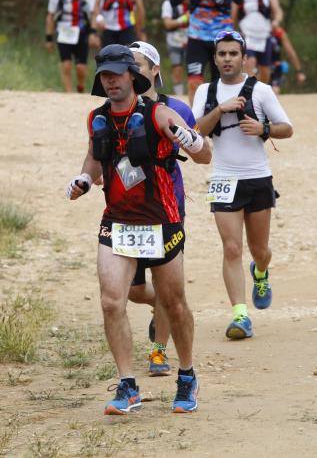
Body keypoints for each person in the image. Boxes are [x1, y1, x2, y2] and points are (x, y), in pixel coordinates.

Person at [66, 44, 210, 415]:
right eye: (105, 75)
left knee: (174, 304)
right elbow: (95, 159)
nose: (111, 80)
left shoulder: (159, 113)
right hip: (117, 221)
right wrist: (84, 178)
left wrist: (190, 140)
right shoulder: (97, 118)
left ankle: (187, 374)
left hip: (161, 219)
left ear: (133, 76)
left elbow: (204, 154)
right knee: (112, 300)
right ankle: (127, 385)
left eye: (117, 73)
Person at [192, 31, 293, 340]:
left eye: (233, 53)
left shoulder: (260, 90)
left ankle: (260, 272)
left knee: (259, 250)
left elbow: (286, 128)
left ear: (244, 57)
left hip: (257, 177)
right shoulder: (205, 92)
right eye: (221, 54)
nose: (227, 59)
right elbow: (195, 131)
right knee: (232, 248)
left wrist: (262, 128)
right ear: (214, 58)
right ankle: (240, 315)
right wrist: (220, 110)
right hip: (224, 178)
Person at [127, 41, 196, 377]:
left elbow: (197, 146)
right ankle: (163, 303)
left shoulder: (178, 109)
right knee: (133, 289)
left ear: (155, 69)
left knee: (167, 284)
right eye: (127, 64)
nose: (131, 70)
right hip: (128, 207)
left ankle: (159, 351)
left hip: (168, 205)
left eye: (138, 64)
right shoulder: (118, 106)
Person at [169, 0, 243, 102]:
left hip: (222, 38)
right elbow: (173, 1)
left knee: (222, 83)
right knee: (194, 82)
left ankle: (220, 121)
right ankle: (195, 123)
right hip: (197, 38)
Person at [46, 0, 96, 93]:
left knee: (81, 67)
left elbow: (93, 14)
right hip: (64, 32)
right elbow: (50, 16)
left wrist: (93, 33)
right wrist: (49, 38)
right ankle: (68, 92)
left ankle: (80, 86)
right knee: (66, 64)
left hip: (82, 31)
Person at [235, 0, 283, 84]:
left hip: (264, 36)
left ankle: (262, 94)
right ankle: (250, 95)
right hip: (248, 36)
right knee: (249, 64)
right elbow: (233, 16)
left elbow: (278, 12)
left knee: (265, 70)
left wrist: (276, 21)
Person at [161, 0, 190, 95]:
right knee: (177, 69)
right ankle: (180, 96)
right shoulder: (168, 3)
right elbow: (167, 24)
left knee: (193, 70)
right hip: (173, 41)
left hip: (191, 40)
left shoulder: (194, 2)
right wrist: (185, 18)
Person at [268, 27, 306, 95]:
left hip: (273, 67)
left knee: (272, 91)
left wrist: (299, 71)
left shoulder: (278, 32)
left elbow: (290, 52)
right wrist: (299, 71)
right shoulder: (252, 29)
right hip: (260, 67)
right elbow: (290, 53)